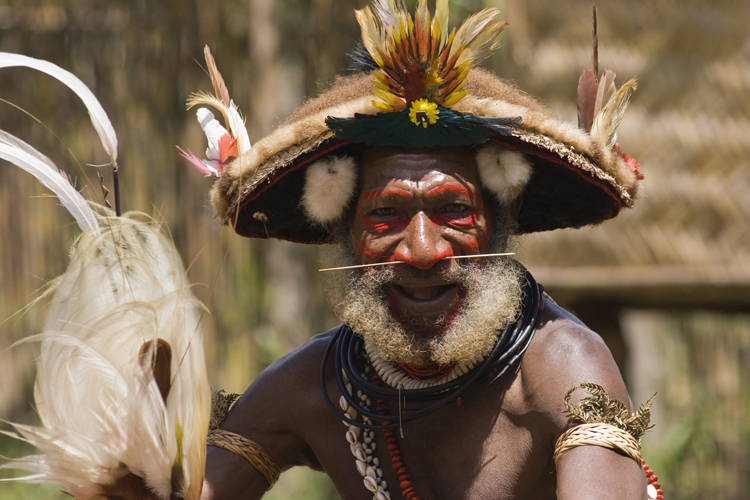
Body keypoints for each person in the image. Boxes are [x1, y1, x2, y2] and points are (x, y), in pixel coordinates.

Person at [109, 1, 659, 499]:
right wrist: (137, 465)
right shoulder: (318, 384)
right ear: (345, 230)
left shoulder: (559, 366)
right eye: (387, 215)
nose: (422, 250)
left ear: (497, 222)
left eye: (453, 210)